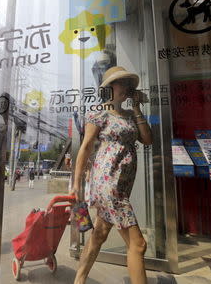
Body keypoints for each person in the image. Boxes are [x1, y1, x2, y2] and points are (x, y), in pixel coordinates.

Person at [70, 66, 152, 284]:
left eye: (127, 84)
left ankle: (78, 280)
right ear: (108, 88)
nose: (125, 87)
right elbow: (86, 147)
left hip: (122, 185)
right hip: (108, 184)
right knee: (138, 245)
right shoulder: (98, 112)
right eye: (120, 83)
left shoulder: (129, 115)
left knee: (99, 235)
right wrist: (76, 182)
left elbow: (147, 139)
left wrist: (136, 108)